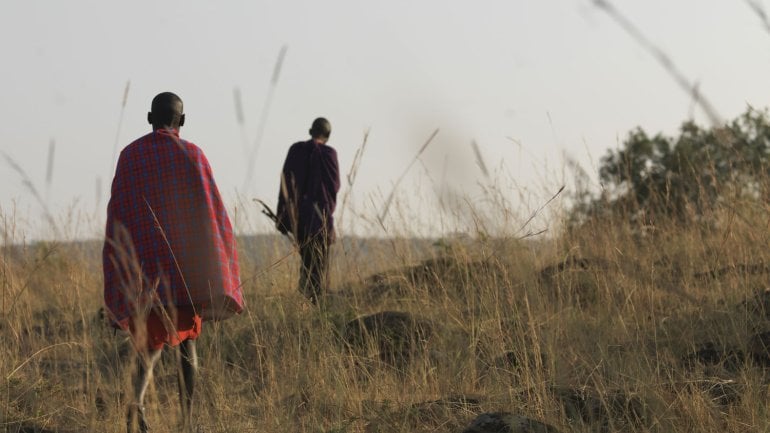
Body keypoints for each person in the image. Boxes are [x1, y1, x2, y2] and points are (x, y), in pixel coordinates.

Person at [102, 92, 243, 433]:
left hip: (145, 272)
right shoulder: (193, 155)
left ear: (150, 118)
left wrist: (121, 272)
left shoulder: (130, 156)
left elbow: (119, 215)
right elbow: (213, 216)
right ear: (182, 120)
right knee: (188, 344)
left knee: (148, 346)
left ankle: (135, 410)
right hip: (185, 272)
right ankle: (188, 421)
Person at [276, 117, 340, 304]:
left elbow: (285, 184)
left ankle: (309, 302)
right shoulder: (330, 154)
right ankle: (316, 305)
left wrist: (283, 217)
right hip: (321, 221)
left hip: (300, 221)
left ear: (311, 131)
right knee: (319, 268)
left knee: (307, 264)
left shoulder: (296, 150)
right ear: (327, 136)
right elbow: (334, 187)